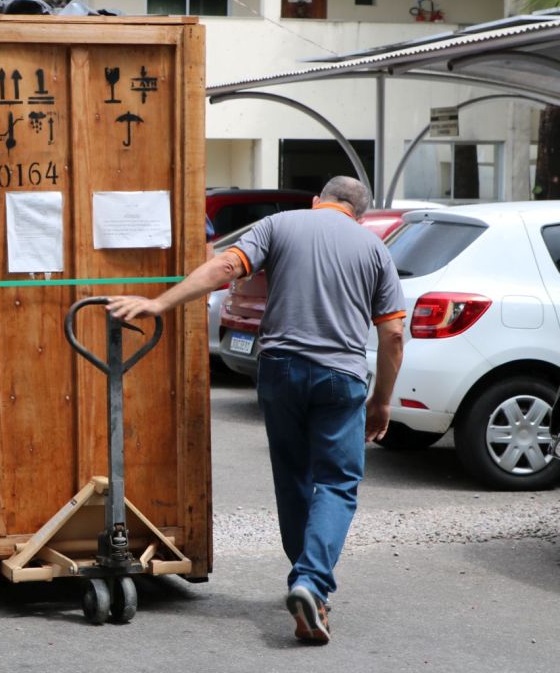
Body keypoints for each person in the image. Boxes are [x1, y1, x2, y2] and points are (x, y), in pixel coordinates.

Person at [107, 176, 404, 645]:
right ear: (359, 215)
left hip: (280, 368)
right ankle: (311, 581)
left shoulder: (279, 224)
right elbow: (392, 336)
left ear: (316, 201)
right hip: (340, 378)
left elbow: (224, 267)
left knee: (293, 478)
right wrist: (382, 400)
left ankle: (310, 589)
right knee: (337, 483)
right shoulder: (375, 250)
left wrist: (158, 303)